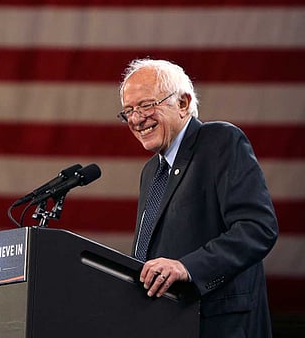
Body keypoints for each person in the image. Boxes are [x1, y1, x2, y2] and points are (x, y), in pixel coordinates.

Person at [118, 58, 278, 337]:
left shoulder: (219, 141)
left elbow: (258, 228)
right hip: (165, 323)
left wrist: (187, 267)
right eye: (128, 110)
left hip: (218, 325)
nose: (136, 118)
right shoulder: (151, 171)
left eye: (146, 105)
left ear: (182, 103)